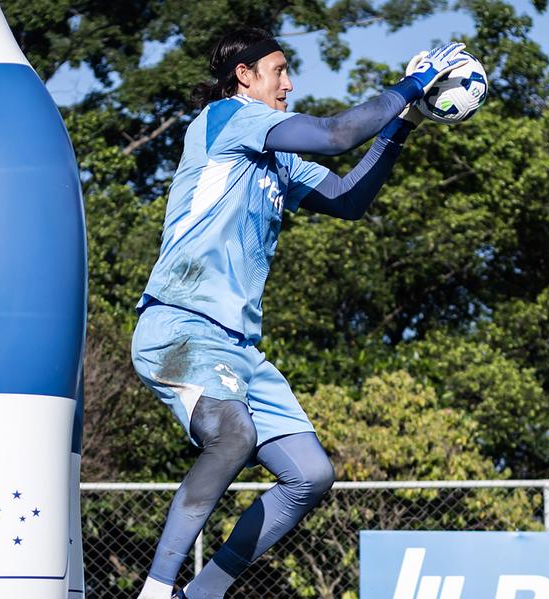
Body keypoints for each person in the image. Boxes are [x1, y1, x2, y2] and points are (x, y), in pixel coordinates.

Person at [130, 27, 467, 599]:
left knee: (310, 476)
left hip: (237, 348)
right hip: (180, 326)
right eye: (279, 70)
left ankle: (201, 594)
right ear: (245, 76)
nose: (289, 83)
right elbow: (336, 135)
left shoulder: (275, 156)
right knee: (234, 436)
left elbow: (348, 198)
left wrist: (402, 121)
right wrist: (413, 83)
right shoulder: (227, 119)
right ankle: (157, 590)